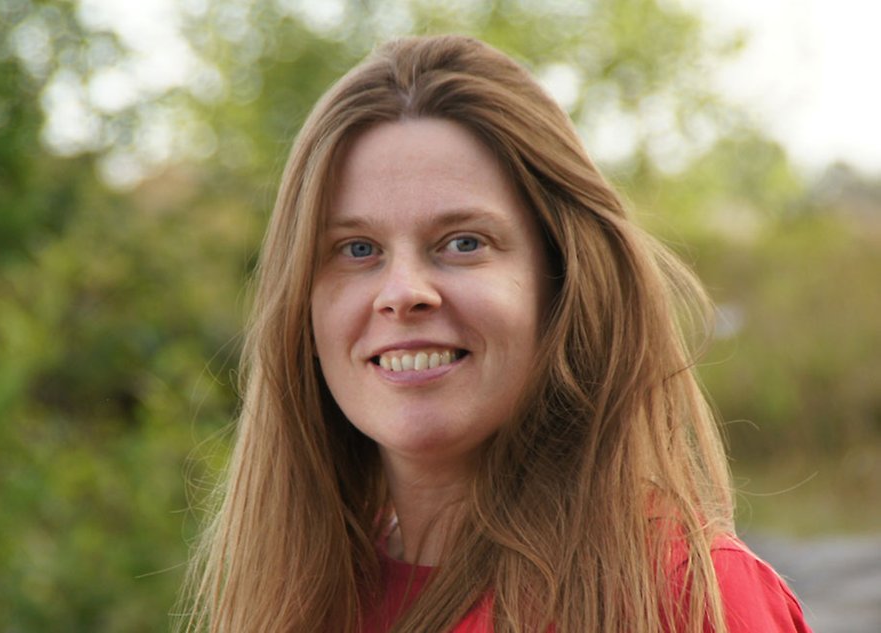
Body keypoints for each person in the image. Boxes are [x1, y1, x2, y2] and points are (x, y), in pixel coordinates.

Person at [177, 35, 812, 632]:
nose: (402, 292)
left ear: (560, 279)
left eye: (463, 242)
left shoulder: (688, 596)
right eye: (357, 248)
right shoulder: (300, 593)